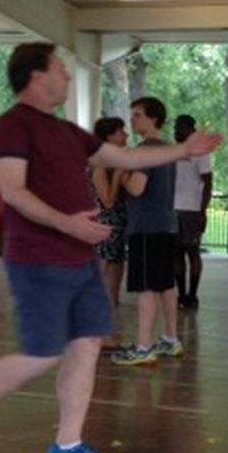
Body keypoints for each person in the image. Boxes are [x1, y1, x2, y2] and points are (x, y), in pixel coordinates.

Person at [0, 44, 222, 453]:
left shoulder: (69, 132)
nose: (69, 77)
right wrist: (68, 224)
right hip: (38, 258)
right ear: (37, 77)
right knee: (43, 353)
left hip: (80, 258)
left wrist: (184, 151)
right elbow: (13, 191)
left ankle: (66, 446)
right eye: (61, 70)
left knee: (88, 344)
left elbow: (125, 157)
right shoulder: (14, 127)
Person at [112, 97, 182, 367]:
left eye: (138, 115)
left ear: (153, 118)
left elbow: (137, 188)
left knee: (145, 288)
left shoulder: (144, 152)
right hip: (166, 224)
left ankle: (144, 346)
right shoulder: (168, 150)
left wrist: (121, 173)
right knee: (165, 284)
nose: (133, 120)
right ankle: (171, 339)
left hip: (146, 226)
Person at [89, 116, 128, 347]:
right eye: (120, 132)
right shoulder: (100, 166)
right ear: (109, 137)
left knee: (113, 283)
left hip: (117, 226)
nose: (125, 135)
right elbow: (108, 201)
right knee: (106, 281)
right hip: (107, 226)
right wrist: (119, 178)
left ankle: (106, 330)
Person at [172, 114, 213, 310]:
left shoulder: (200, 153)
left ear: (188, 128)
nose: (175, 131)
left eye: (178, 127)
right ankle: (181, 294)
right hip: (174, 207)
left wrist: (202, 210)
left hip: (192, 208)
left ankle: (193, 294)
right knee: (176, 253)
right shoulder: (175, 151)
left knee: (193, 251)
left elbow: (208, 181)